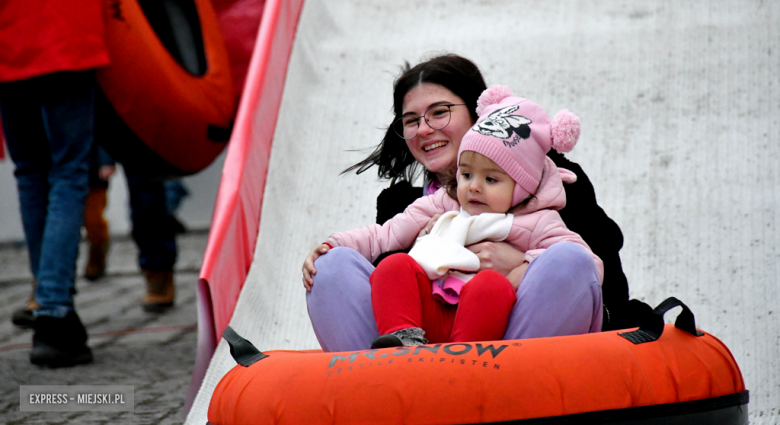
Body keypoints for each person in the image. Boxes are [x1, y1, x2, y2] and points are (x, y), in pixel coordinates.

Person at [304, 54, 650, 353]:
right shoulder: (406, 202)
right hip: (421, 344)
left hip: (516, 339)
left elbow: (600, 278)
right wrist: (342, 246)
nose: (424, 129)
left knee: (566, 261)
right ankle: (388, 381)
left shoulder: (550, 182)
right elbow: (385, 262)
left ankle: (494, 383)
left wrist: (520, 264)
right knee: (333, 268)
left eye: (439, 112)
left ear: (477, 113)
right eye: (411, 121)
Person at [0, 0, 109, 366]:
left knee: (30, 173)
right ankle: (54, 310)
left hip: (10, 36)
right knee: (68, 172)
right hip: (67, 30)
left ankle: (47, 301)